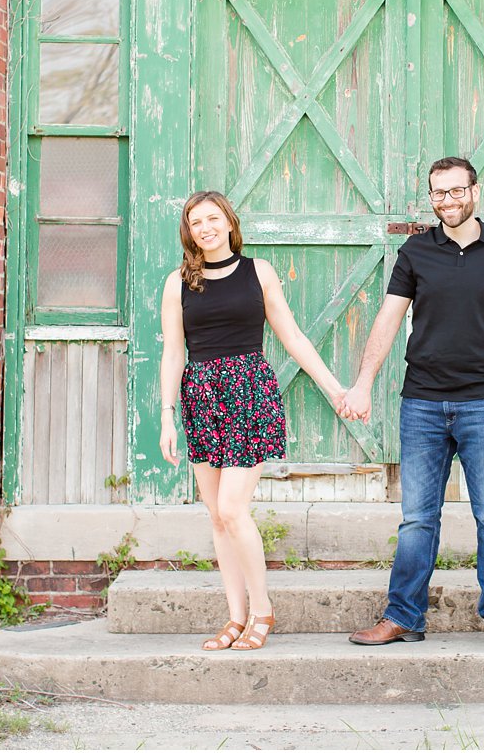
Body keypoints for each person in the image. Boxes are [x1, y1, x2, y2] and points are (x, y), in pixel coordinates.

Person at [339, 157, 484, 653]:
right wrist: (363, 382)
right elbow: (388, 318)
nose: (448, 201)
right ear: (430, 197)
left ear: (476, 190)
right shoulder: (415, 251)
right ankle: (403, 615)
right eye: (438, 193)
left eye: (456, 191)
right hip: (423, 403)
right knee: (417, 518)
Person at [159, 190, 348, 651]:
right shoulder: (177, 282)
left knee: (231, 508)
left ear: (228, 222)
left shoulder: (257, 273)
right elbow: (172, 352)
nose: (204, 227)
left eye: (212, 218)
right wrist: (167, 416)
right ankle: (235, 616)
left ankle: (262, 608)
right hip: (201, 398)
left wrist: (334, 388)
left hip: (248, 392)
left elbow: (293, 337)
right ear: (189, 231)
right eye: (195, 221)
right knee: (217, 518)